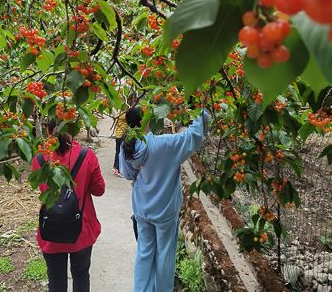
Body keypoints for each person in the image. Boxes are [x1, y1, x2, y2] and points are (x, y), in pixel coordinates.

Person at [119, 106, 209, 292]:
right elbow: (194, 136)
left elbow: (127, 175)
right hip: (165, 211)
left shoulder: (127, 145)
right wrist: (202, 108)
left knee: (144, 253)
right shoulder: (164, 144)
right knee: (165, 256)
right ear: (144, 121)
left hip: (142, 209)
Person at [32, 120, 105, 292]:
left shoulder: (40, 159)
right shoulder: (86, 155)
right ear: (73, 129)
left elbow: (41, 188)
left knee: (56, 280)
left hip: (51, 229)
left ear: (48, 131)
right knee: (81, 276)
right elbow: (99, 190)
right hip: (81, 230)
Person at [112, 109, 128, 176]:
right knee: (120, 152)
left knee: (118, 151)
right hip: (121, 135)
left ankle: (115, 167)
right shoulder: (124, 113)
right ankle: (118, 169)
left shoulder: (119, 112)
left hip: (118, 134)